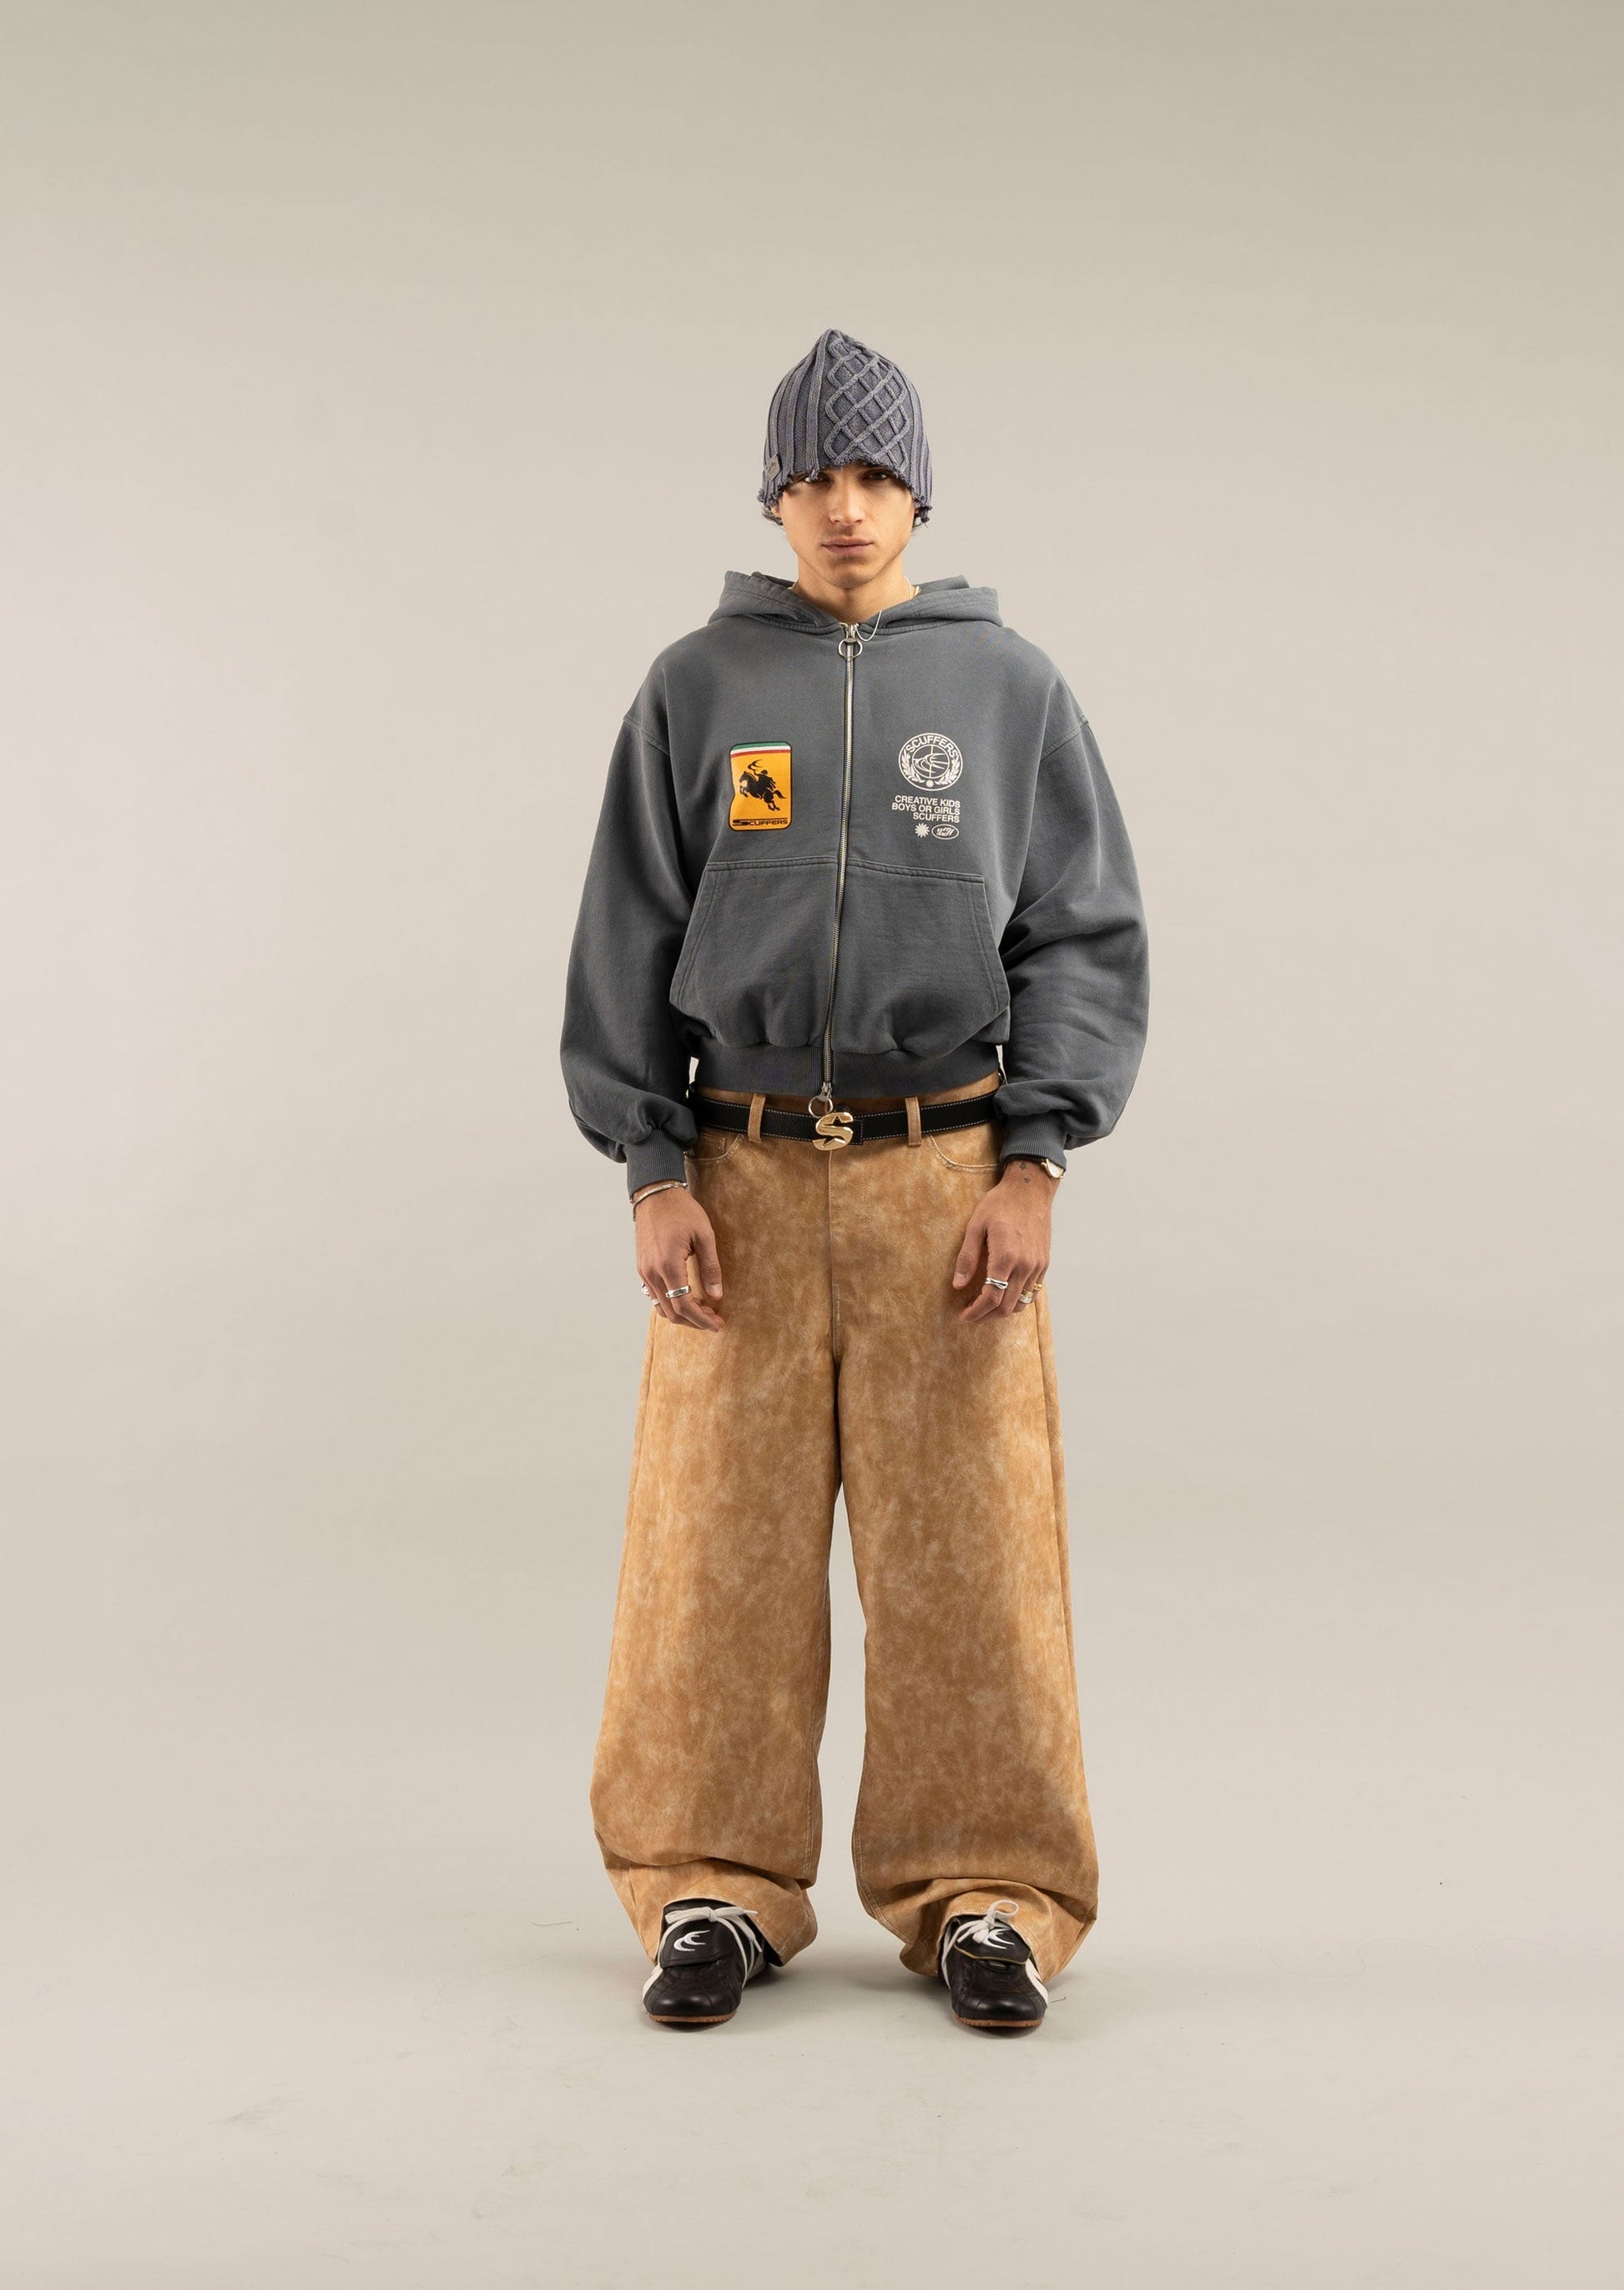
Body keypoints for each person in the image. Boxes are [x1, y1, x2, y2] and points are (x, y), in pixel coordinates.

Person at [559, 325, 1149, 2034]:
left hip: (941, 1180)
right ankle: (709, 1884)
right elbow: (626, 932)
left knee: (972, 1553)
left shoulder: (1009, 687)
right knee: (710, 1552)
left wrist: (1035, 1159)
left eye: (875, 475)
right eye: (812, 476)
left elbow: (1078, 935)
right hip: (735, 1178)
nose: (843, 506)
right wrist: (651, 1166)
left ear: (918, 496)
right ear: (771, 494)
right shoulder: (694, 686)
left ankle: (992, 1892)